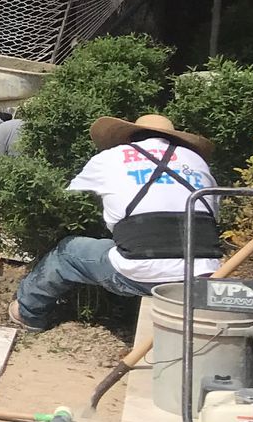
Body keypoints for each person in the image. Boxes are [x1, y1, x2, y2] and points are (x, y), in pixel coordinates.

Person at [13, 113, 221, 330]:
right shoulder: (196, 161)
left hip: (141, 271)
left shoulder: (111, 157)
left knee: (68, 252)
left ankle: (28, 313)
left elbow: (67, 197)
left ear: (129, 137)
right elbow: (212, 215)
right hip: (204, 274)